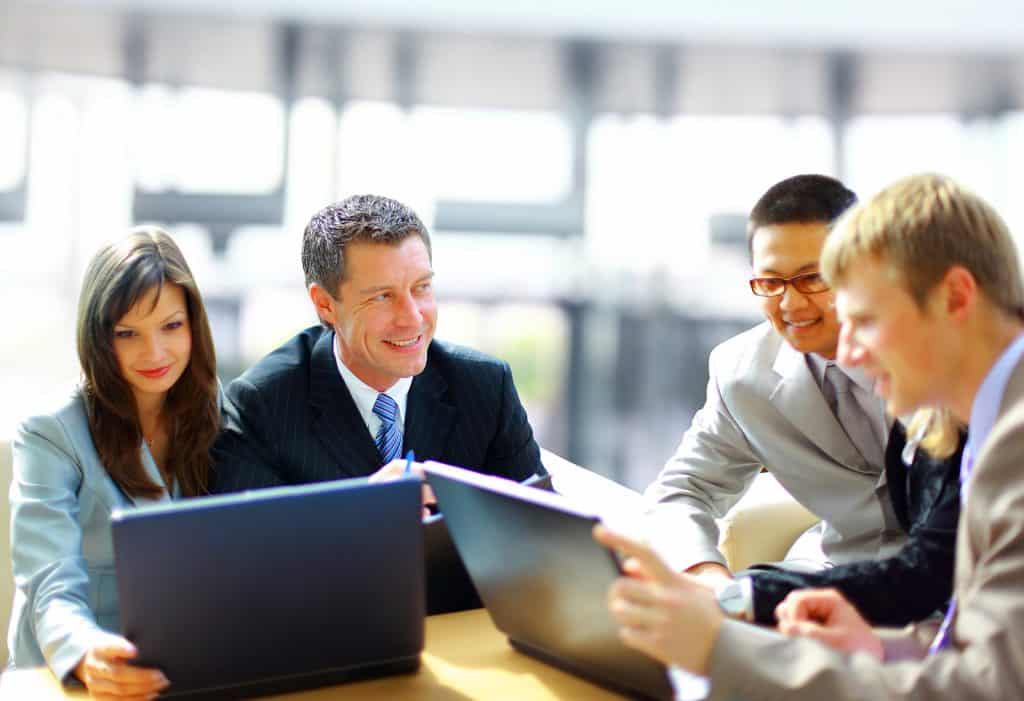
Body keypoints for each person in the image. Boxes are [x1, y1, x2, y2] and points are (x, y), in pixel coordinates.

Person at [597, 173, 1024, 699]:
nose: (849, 352)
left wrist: (724, 638)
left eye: (863, 317)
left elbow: (984, 676)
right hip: (864, 606)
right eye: (770, 283)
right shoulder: (992, 414)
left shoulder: (1001, 433)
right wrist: (718, 591)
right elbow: (681, 489)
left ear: (955, 297)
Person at [644, 174, 959, 626]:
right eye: (770, 283)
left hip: (954, 589)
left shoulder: (935, 355)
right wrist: (711, 583)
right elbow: (680, 491)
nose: (791, 303)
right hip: (828, 580)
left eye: (813, 278)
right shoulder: (741, 374)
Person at [210, 195, 546, 577]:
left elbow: (542, 539)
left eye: (421, 288)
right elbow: (242, 563)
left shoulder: (485, 387)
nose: (412, 318)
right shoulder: (261, 404)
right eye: (383, 296)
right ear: (325, 305)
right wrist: (359, 515)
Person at [7, 228, 220, 697]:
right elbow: (51, 582)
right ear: (99, 337)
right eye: (127, 333)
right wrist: (85, 651)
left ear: (194, 324)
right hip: (68, 677)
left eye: (171, 326)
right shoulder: (50, 431)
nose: (155, 353)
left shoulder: (215, 410)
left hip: (179, 670)